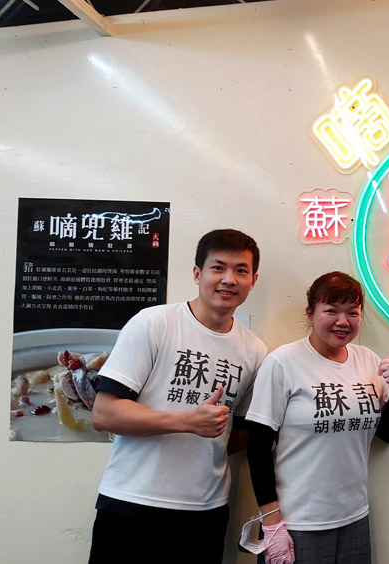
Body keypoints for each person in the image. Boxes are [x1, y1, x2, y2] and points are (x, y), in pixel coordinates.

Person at [89, 229, 267, 564]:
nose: (229, 279)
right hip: (131, 502)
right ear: (197, 273)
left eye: (241, 270)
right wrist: (187, 422)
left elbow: (240, 431)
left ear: (253, 280)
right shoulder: (154, 323)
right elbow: (104, 414)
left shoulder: (255, 350)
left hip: (206, 511)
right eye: (218, 268)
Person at [245, 271, 389, 564]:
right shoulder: (282, 363)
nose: (343, 321)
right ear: (310, 313)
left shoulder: (368, 360)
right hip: (297, 522)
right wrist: (272, 523)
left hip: (354, 517)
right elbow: (257, 447)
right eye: (331, 310)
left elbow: (388, 434)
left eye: (352, 312)